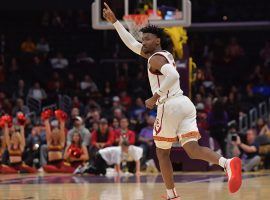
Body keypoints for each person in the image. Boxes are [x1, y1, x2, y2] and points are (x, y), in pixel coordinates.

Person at [103, 3, 242, 199]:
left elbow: (174, 75)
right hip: (185, 103)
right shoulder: (164, 55)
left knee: (162, 154)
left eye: (147, 39)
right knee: (193, 150)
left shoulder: (155, 60)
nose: (143, 42)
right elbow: (132, 45)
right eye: (142, 39)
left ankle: (171, 195)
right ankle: (227, 163)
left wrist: (155, 96)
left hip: (169, 105)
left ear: (157, 40)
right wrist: (116, 22)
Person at [77, 139, 142, 176]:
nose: (127, 149)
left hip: (102, 157)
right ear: (123, 146)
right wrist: (122, 174)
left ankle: (85, 168)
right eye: (126, 147)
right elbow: (117, 166)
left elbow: (117, 165)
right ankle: (84, 169)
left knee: (100, 171)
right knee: (101, 172)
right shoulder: (118, 151)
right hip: (100, 156)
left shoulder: (121, 150)